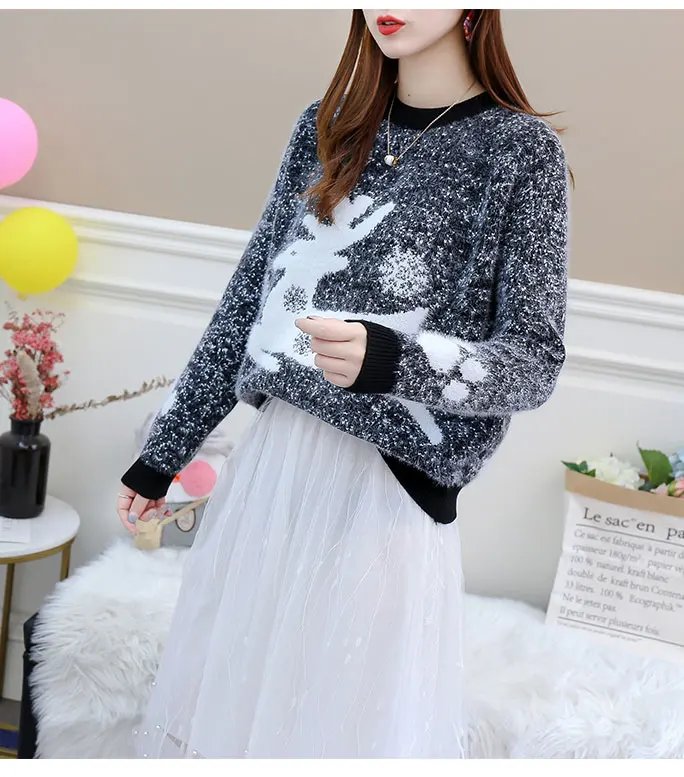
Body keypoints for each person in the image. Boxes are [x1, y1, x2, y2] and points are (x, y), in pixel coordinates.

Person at [117, 8, 571, 759]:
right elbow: (248, 302)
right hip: (273, 476)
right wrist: (165, 451)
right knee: (237, 714)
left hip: (386, 498)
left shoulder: (518, 151)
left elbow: (533, 361)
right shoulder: (325, 127)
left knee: (334, 729)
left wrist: (395, 359)